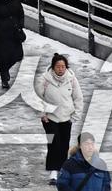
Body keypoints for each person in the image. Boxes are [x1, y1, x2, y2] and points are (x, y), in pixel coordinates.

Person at [36, 53, 84, 185]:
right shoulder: (44, 80)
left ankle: (61, 169)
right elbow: (37, 97)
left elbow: (78, 98)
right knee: (54, 143)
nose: (61, 69)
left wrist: (75, 116)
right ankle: (53, 172)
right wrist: (42, 114)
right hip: (49, 118)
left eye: (63, 66)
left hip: (66, 118)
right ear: (53, 67)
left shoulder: (72, 79)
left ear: (66, 67)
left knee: (63, 144)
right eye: (58, 66)